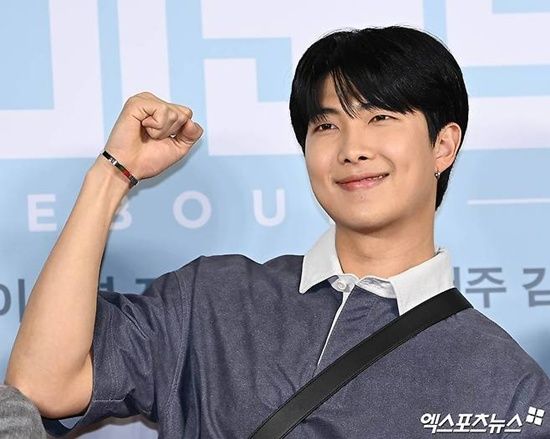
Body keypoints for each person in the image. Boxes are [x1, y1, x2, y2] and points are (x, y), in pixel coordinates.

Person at [5, 25, 550, 438]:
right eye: (326, 124)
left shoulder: (507, 385)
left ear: (443, 146)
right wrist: (112, 175)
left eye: (380, 118)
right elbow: (44, 386)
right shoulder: (212, 299)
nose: (352, 148)